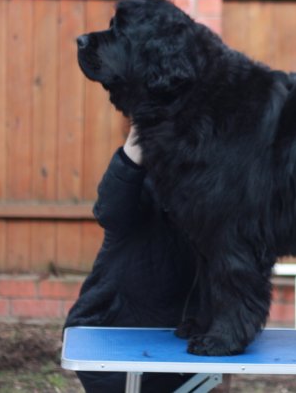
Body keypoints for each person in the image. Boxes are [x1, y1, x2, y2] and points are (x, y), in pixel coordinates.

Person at [64, 126, 200, 393]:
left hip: (184, 350)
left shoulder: (219, 193)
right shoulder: (143, 187)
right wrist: (142, 128)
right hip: (110, 339)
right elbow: (109, 210)